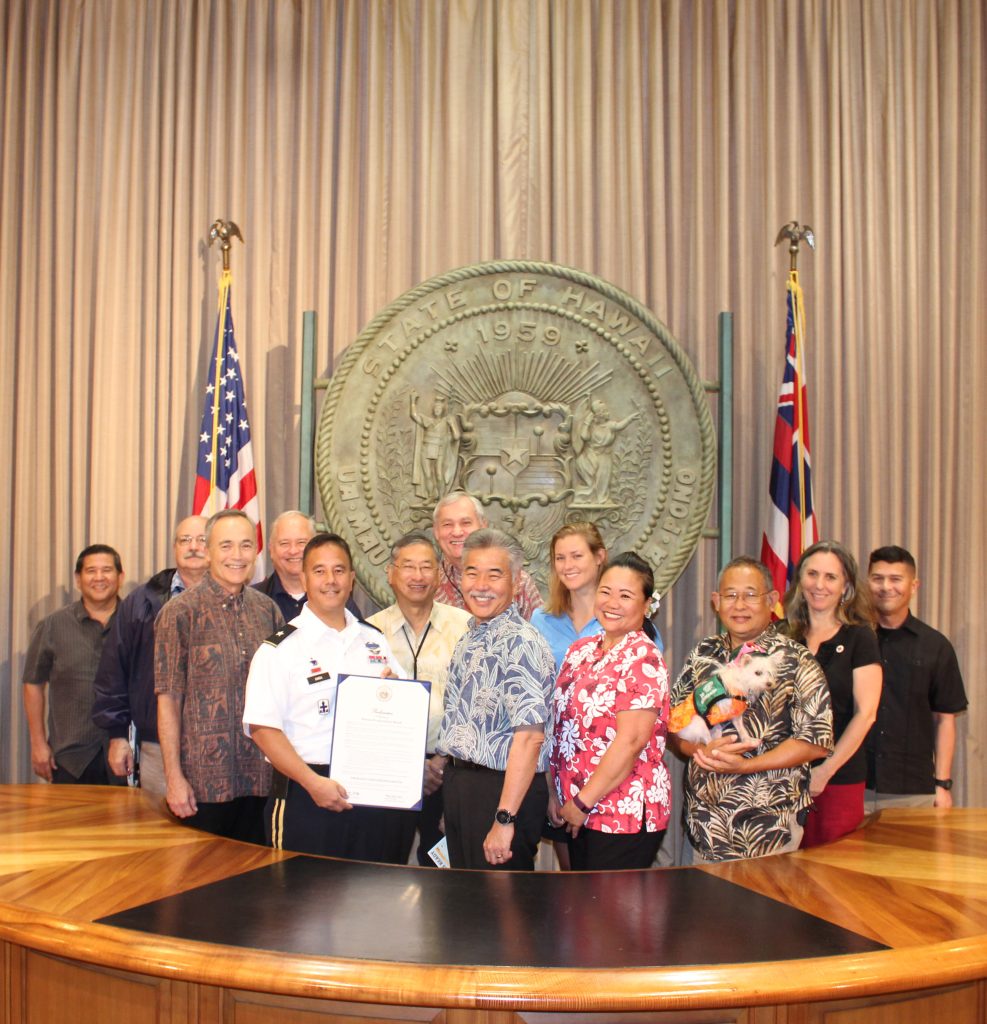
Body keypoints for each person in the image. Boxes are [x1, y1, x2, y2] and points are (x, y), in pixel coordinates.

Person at [243, 533, 416, 863]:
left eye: (339, 571)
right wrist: (313, 783)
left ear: (352, 579)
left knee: (372, 903)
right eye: (319, 571)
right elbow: (263, 730)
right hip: (307, 797)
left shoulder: (375, 641)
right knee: (303, 906)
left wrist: (396, 696)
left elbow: (403, 715)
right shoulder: (280, 650)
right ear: (305, 578)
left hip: (374, 799)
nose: (330, 580)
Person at [669, 556, 833, 861]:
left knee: (765, 909)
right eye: (730, 595)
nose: (739, 605)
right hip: (703, 826)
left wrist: (746, 766)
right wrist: (699, 751)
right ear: (716, 602)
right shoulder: (703, 654)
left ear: (771, 600)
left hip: (769, 829)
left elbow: (815, 741)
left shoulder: (795, 660)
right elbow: (674, 725)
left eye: (750, 595)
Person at [155, 509, 282, 842]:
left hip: (261, 779)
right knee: (200, 887)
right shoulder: (179, 612)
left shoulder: (268, 610)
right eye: (226, 546)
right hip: (202, 786)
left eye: (245, 545)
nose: (236, 556)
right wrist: (174, 778)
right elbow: (168, 701)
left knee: (257, 886)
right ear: (208, 551)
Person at [435, 529, 555, 869]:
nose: (481, 584)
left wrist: (504, 820)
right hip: (464, 786)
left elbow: (530, 738)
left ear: (516, 582)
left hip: (502, 793)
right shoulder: (471, 636)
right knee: (470, 910)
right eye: (472, 572)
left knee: (500, 913)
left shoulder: (521, 643)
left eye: (495, 574)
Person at [548, 552, 671, 870]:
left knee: (608, 917)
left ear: (646, 606)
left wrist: (583, 801)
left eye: (626, 595)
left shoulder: (643, 658)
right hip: (575, 808)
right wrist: (557, 794)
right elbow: (559, 729)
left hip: (621, 811)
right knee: (581, 913)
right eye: (606, 591)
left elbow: (630, 742)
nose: (612, 602)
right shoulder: (581, 650)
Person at [368, 530, 471, 865]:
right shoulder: (368, 633)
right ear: (391, 572)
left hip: (450, 773)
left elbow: (474, 703)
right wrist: (410, 766)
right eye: (408, 566)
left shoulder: (465, 626)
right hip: (387, 772)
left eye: (426, 567)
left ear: (438, 573)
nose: (417, 576)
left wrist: (438, 763)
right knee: (381, 868)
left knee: (445, 873)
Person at [91, 516, 209, 794]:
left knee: (213, 833)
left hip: (218, 745)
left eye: (202, 540)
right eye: (185, 540)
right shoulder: (141, 601)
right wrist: (117, 735)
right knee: (160, 827)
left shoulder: (235, 597)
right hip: (156, 743)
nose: (193, 547)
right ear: (174, 548)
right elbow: (113, 671)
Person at [782, 542, 882, 847]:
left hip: (837, 780)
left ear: (846, 587)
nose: (819, 585)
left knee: (831, 879)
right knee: (780, 877)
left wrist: (825, 771)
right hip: (780, 780)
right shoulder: (781, 635)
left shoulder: (860, 638)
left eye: (831, 577)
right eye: (812, 574)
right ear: (800, 580)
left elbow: (866, 714)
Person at [865, 546, 968, 810]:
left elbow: (945, 719)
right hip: (854, 785)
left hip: (913, 789)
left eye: (895, 579)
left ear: (913, 585)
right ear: (868, 583)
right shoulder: (852, 641)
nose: (886, 587)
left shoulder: (935, 646)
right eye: (878, 578)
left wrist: (942, 785)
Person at [23, 545, 124, 785]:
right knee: (72, 822)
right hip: (71, 758)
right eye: (91, 571)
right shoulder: (53, 625)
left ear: (120, 577)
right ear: (78, 579)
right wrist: (38, 744)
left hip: (125, 754)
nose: (99, 578)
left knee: (127, 823)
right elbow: (32, 684)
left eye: (107, 570)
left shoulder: (137, 622)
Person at [432, 492, 543, 619]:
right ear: (436, 531)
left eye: (466, 523)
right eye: (447, 524)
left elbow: (541, 633)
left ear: (483, 525)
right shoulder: (428, 582)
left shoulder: (519, 581)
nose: (457, 532)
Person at [254, 510, 316, 621]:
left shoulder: (336, 598)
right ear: (271, 549)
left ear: (316, 547)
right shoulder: (250, 602)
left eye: (301, 542)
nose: (293, 551)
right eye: (284, 543)